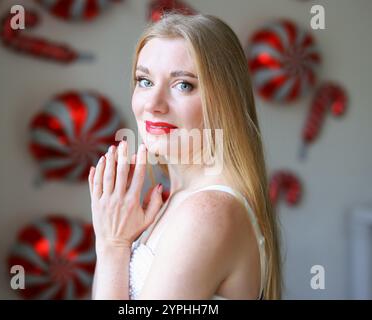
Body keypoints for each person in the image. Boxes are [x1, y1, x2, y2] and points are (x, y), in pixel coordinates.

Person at [88, 12, 281, 300]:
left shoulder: (208, 211)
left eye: (183, 85)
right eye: (144, 81)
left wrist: (112, 246)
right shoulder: (182, 198)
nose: (153, 104)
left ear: (225, 99)